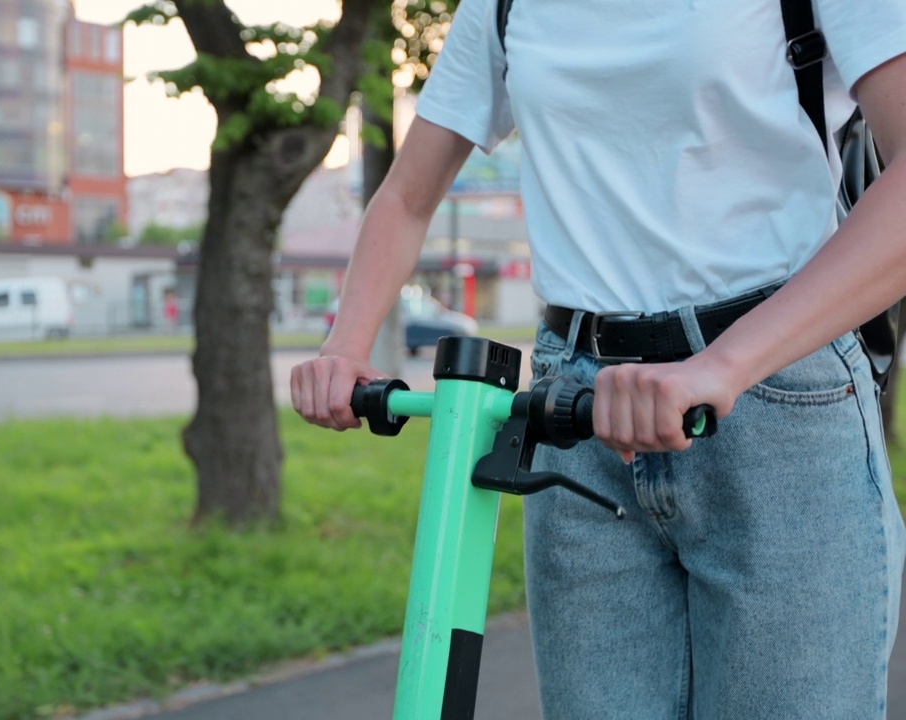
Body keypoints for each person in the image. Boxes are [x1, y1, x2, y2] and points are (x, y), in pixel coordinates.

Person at [290, 0, 906, 716]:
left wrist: (723, 366)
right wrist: (346, 346)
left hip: (775, 401)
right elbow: (405, 196)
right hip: (575, 417)